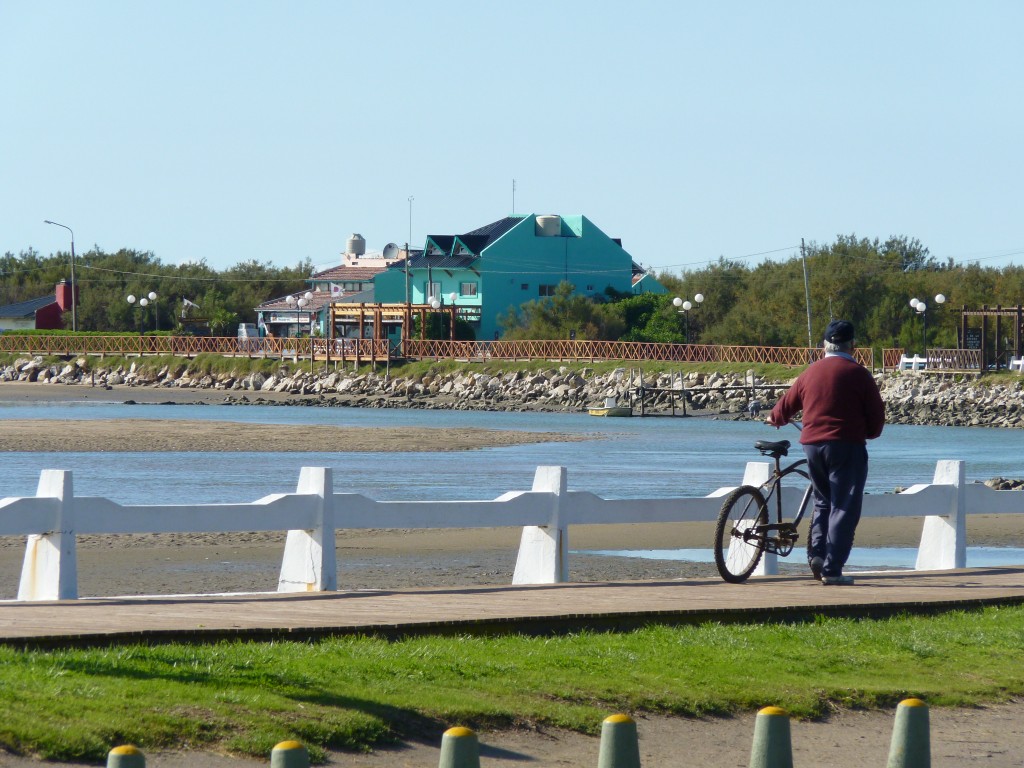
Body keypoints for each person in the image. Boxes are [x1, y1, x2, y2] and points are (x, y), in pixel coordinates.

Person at [766, 320, 885, 585]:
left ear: (824, 345)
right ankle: (832, 570)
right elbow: (876, 420)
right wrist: (867, 433)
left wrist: (774, 418)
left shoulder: (810, 372)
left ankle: (816, 555)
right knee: (844, 507)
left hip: (812, 445)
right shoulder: (859, 374)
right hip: (847, 446)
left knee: (822, 501)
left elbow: (784, 407)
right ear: (853, 346)